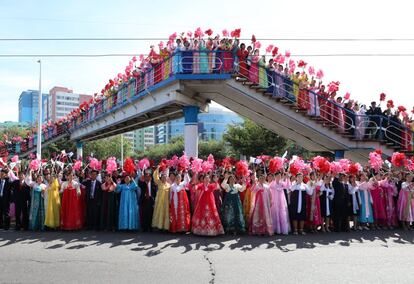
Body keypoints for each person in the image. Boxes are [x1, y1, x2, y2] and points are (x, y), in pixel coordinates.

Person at [152, 166, 170, 231]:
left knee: (165, 213)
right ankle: (157, 226)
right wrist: (157, 169)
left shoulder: (168, 185)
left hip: (166, 202)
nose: (164, 178)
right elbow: (155, 177)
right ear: (161, 178)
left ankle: (164, 227)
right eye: (162, 177)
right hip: (159, 201)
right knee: (158, 212)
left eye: (165, 177)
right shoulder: (159, 183)